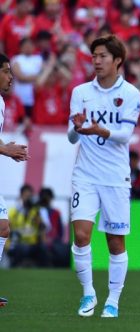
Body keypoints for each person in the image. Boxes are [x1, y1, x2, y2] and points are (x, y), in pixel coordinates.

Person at [67, 35, 140, 318]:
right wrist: (77, 128)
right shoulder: (81, 91)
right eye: (94, 56)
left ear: (117, 60)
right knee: (82, 235)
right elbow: (72, 136)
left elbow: (125, 135)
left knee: (115, 242)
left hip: (115, 177)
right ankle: (88, 295)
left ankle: (113, 300)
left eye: (102, 56)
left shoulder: (131, 93)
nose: (96, 61)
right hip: (85, 175)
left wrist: (102, 131)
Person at [0, 52, 29, 307]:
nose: (11, 76)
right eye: (7, 71)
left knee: (2, 227)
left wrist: (3, 147)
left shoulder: (0, 102)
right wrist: (4, 149)